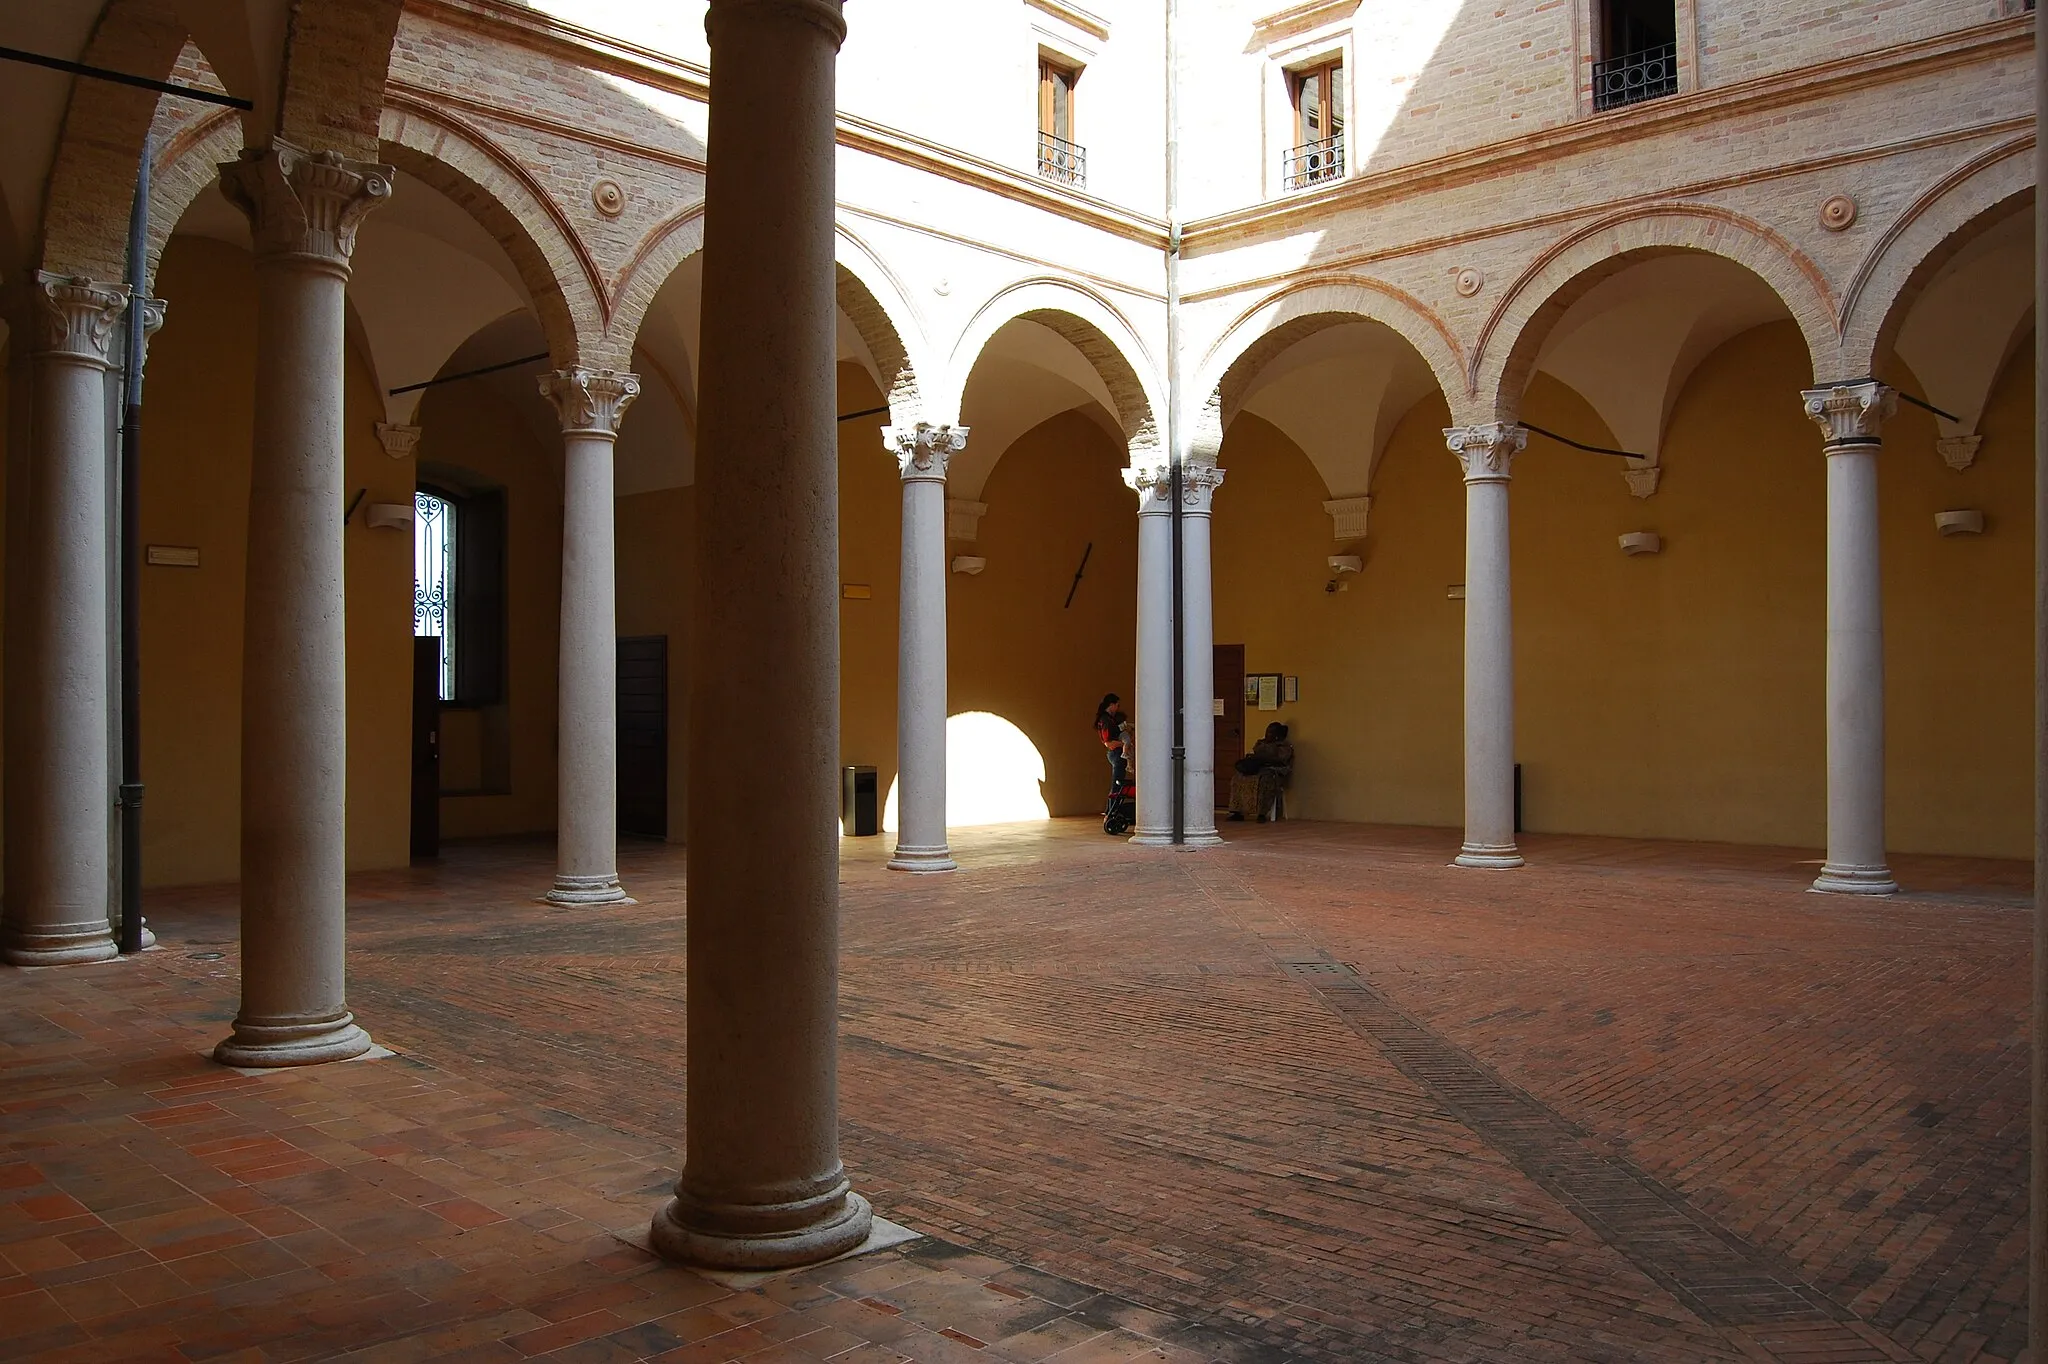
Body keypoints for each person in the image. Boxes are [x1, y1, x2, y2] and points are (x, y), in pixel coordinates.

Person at [1226, 721, 1294, 823]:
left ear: (1277, 735)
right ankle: (1236, 811)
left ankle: (1262, 813)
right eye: (1267, 732)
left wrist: (1266, 756)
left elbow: (1280, 759)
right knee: (1238, 777)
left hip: (1274, 771)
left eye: (1271, 733)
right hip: (1259, 768)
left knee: (1264, 780)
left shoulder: (1284, 746)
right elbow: (1258, 751)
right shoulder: (1261, 743)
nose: (1267, 735)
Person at [1094, 693, 1129, 790]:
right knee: (1116, 786)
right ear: (1111, 705)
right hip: (1116, 752)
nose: (1118, 708)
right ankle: (1113, 805)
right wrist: (1124, 744)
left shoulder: (1109, 719)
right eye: (1117, 705)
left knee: (1117, 785)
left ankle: (1114, 804)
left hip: (1116, 752)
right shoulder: (1106, 720)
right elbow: (1108, 742)